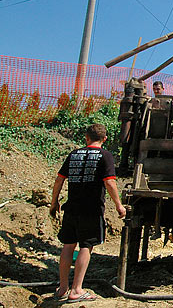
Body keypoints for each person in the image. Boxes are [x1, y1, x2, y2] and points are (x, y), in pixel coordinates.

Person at [49, 123, 126, 303]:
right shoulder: (105, 156)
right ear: (104, 139)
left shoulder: (74, 154)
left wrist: (54, 203)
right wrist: (119, 205)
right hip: (91, 210)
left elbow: (59, 180)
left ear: (86, 138)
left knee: (68, 245)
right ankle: (76, 290)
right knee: (86, 246)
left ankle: (62, 289)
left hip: (71, 208)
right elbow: (109, 182)